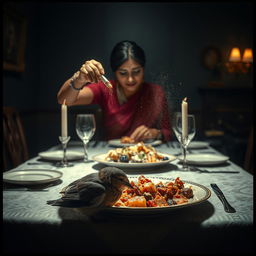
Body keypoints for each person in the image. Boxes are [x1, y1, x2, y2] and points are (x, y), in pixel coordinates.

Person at [57, 40, 171, 142]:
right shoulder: (106, 88)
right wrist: (79, 79)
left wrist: (156, 134)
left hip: (146, 154)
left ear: (143, 69)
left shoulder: (155, 92)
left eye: (136, 72)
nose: (130, 79)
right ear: (115, 72)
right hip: (110, 156)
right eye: (123, 73)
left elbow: (168, 132)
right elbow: (65, 100)